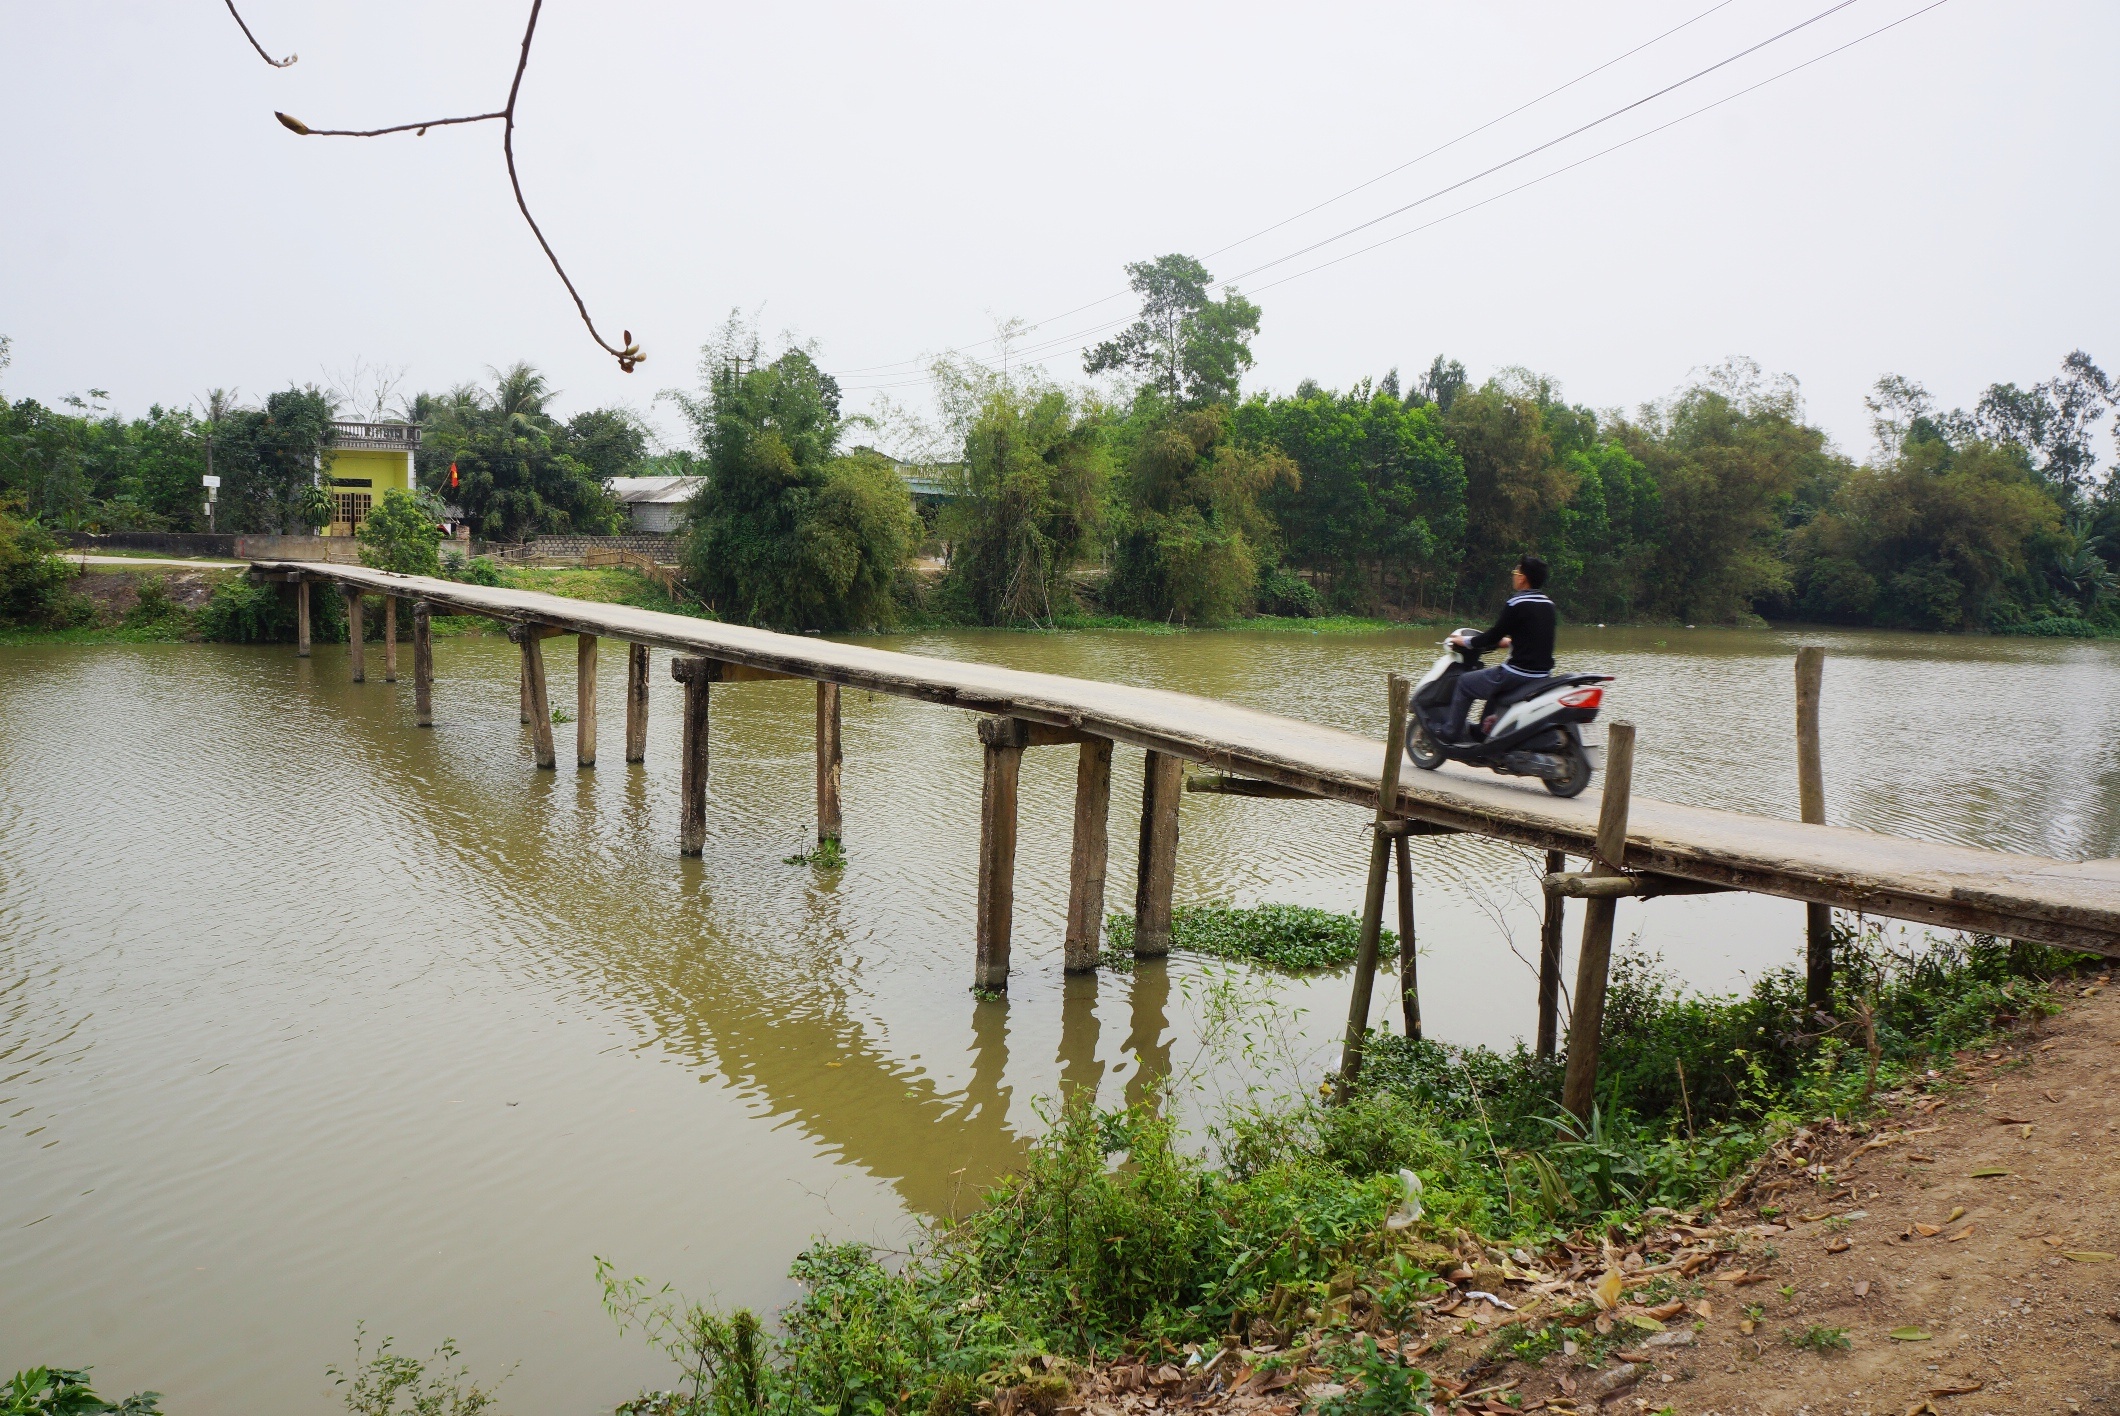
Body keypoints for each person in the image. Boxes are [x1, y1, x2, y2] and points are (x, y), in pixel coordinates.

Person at [1442, 555, 1556, 741]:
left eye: (1516, 572)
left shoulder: (1516, 603)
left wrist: (1466, 641)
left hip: (1517, 674)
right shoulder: (1549, 605)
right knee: (1492, 687)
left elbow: (1492, 636)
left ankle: (1450, 733)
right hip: (1542, 675)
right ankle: (1483, 733)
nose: (1514, 576)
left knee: (1464, 683)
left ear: (1523, 577)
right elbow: (1537, 637)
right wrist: (1510, 642)